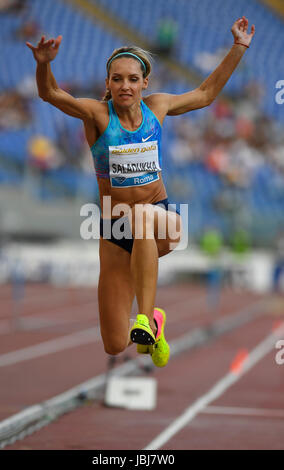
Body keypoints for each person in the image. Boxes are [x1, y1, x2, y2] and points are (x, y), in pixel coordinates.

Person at [26, 16, 255, 368]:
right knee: (115, 343)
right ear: (108, 83)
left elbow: (206, 94)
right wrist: (44, 66)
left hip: (160, 218)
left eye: (133, 79)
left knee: (144, 216)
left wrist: (238, 47)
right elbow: (50, 94)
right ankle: (155, 323)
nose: (125, 86)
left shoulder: (158, 108)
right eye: (117, 79)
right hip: (115, 230)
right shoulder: (97, 115)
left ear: (145, 82)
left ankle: (146, 318)